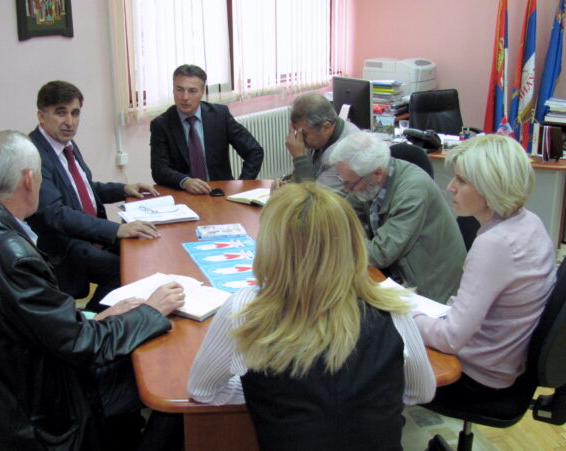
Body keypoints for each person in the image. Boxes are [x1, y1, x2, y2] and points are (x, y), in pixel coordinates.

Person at [0, 130, 184, 450]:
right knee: (172, 381)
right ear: (28, 179)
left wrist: (95, 317)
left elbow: (31, 320)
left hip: (9, 384)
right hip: (49, 404)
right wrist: (150, 311)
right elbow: (84, 346)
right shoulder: (13, 256)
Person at [188, 183, 435, 450]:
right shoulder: (392, 308)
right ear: (353, 243)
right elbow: (421, 392)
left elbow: (203, 391)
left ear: (270, 247)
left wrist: (261, 393)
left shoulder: (245, 309)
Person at [414, 135, 556, 404]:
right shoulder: (530, 221)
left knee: (375, 349)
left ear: (491, 187)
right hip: (504, 363)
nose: (450, 188)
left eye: (461, 181)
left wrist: (406, 315)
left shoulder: (495, 244)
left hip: (476, 378)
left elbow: (450, 339)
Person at [28, 80, 158, 312]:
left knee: (142, 249)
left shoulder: (66, 144)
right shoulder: (34, 154)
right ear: (42, 116)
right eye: (61, 113)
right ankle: (92, 320)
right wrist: (116, 229)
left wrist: (123, 189)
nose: (70, 122)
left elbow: (83, 189)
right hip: (63, 246)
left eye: (75, 113)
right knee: (122, 270)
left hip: (86, 235)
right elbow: (54, 214)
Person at [330, 131, 465, 303]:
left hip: (430, 293)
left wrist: (336, 240)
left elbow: (379, 254)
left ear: (377, 174)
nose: (346, 189)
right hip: (397, 275)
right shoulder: (369, 179)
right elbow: (343, 213)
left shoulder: (413, 191)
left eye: (350, 183)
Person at [150, 64, 264, 194]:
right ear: (173, 90)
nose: (185, 97)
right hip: (183, 194)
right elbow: (159, 170)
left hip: (220, 193)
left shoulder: (219, 115)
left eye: (192, 91)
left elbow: (254, 151)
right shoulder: (161, 124)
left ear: (202, 92)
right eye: (180, 90)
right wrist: (184, 181)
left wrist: (242, 184)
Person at [273, 92, 359, 193]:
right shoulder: (319, 138)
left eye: (303, 134)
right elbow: (303, 181)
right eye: (297, 132)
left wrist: (299, 157)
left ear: (326, 127)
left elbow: (317, 198)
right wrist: (285, 187)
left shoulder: (346, 153)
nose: (299, 139)